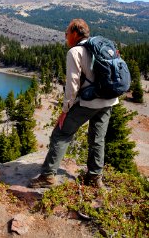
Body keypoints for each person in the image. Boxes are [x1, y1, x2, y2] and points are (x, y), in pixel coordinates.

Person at [29, 19, 119, 189]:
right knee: (97, 139)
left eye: (67, 33)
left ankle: (48, 176)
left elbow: (72, 86)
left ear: (76, 33)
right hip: (109, 100)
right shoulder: (103, 47)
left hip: (88, 101)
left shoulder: (75, 52)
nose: (65, 36)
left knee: (61, 133)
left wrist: (65, 111)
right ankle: (94, 177)